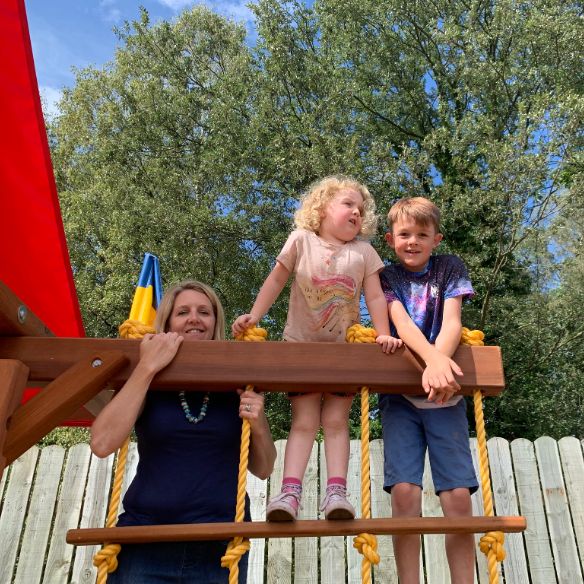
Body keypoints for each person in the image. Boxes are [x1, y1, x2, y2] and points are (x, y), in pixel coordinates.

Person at [232, 175, 402, 521]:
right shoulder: (301, 241)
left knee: (337, 421)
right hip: (301, 347)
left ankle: (336, 493)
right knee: (304, 422)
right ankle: (289, 494)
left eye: (361, 208)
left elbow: (374, 296)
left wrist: (382, 333)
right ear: (322, 208)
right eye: (347, 204)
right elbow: (277, 279)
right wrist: (255, 315)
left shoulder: (364, 252)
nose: (356, 211)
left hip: (344, 350)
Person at [90, 280, 276, 584]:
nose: (194, 318)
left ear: (215, 322)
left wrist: (259, 423)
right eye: (183, 312)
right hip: (144, 541)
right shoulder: (147, 380)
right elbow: (101, 442)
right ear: (167, 322)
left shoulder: (238, 379)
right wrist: (147, 368)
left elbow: (264, 467)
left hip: (220, 545)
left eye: (205, 311)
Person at [379, 196, 478, 584]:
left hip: (445, 393)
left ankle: (462, 580)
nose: (413, 241)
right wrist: (433, 363)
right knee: (404, 492)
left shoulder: (450, 267)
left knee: (456, 496)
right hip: (402, 396)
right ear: (390, 239)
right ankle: (408, 580)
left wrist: (440, 362)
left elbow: (452, 320)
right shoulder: (385, 276)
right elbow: (400, 323)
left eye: (422, 234)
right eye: (404, 234)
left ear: (437, 238)